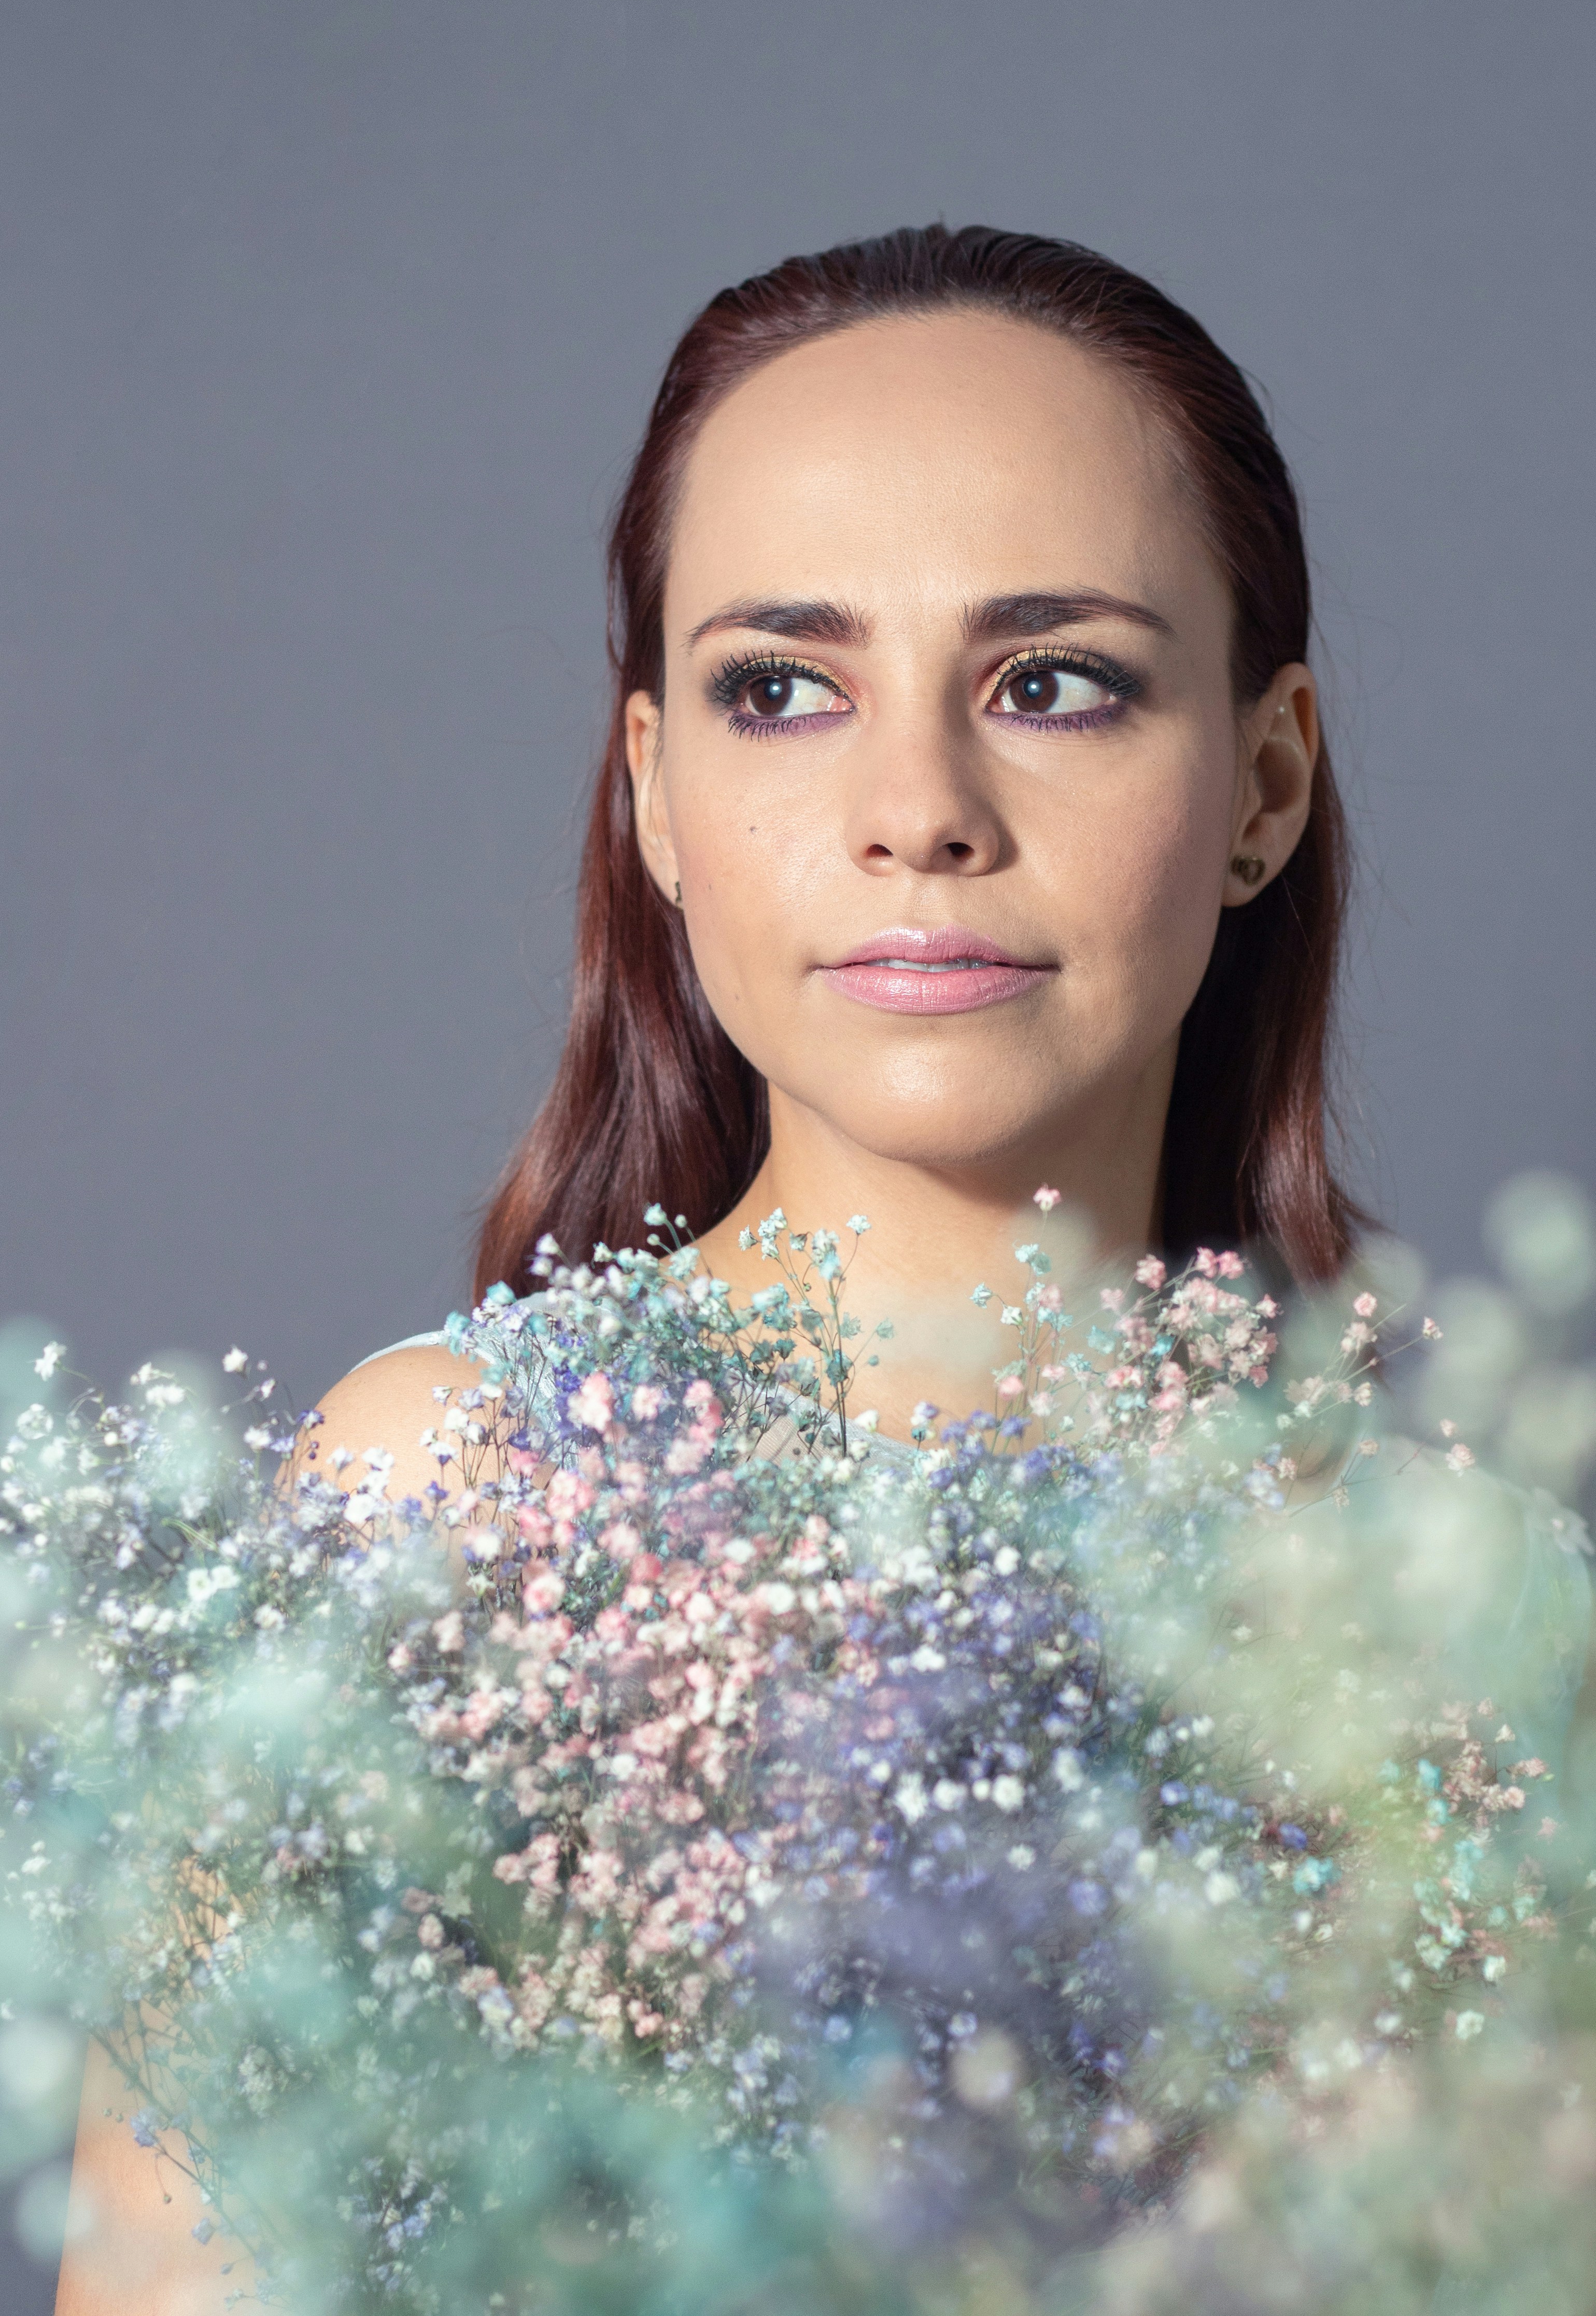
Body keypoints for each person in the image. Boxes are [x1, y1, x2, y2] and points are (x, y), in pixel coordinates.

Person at [49, 222, 1526, 2309]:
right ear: (652, 789)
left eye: (1052, 683)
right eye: (781, 689)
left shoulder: (1445, 1635)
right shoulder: (446, 1510)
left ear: (1262, 782)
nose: (912, 806)